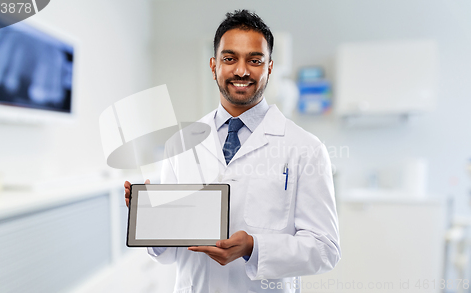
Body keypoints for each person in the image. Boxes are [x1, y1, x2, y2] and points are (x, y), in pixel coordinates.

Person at [124, 9, 340, 293]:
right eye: (229, 59)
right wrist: (149, 219)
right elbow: (167, 252)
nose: (241, 70)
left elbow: (325, 250)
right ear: (213, 65)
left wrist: (254, 247)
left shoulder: (305, 148)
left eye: (254, 60)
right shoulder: (180, 143)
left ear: (269, 68)